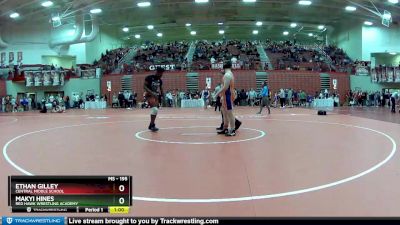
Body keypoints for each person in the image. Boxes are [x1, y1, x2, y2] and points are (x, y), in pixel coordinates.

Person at [215, 61, 240, 136]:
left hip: (228, 95)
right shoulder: (229, 74)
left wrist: (216, 93)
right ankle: (225, 128)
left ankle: (232, 130)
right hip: (226, 95)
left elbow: (225, 87)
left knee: (229, 113)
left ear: (224, 67)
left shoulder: (227, 75)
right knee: (224, 112)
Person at [144, 67, 165, 132]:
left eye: (162, 74)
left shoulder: (160, 80)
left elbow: (160, 88)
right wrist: (152, 92)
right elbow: (144, 86)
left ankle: (151, 124)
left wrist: (162, 95)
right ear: (157, 72)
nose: (161, 75)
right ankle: (152, 125)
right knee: (155, 109)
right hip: (149, 95)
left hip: (156, 96)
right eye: (160, 74)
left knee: (155, 111)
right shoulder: (149, 78)